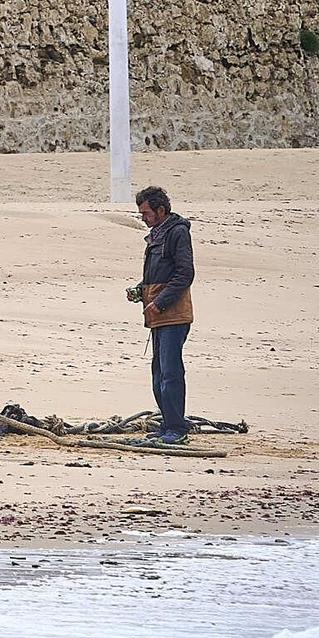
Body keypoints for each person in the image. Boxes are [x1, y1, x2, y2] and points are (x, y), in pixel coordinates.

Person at [128, 186, 195, 444]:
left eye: (146, 213)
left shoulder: (177, 232)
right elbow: (160, 275)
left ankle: (177, 429)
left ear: (161, 210)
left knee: (170, 372)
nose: (143, 217)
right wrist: (140, 291)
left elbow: (185, 274)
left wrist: (159, 301)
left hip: (173, 315)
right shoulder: (158, 234)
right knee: (158, 372)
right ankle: (168, 424)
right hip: (158, 314)